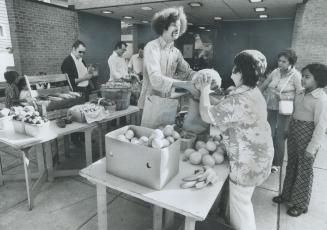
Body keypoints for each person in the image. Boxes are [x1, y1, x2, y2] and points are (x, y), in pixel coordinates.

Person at [197, 50, 274, 230]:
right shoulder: (254, 92)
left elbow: (206, 115)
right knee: (241, 202)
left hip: (246, 164)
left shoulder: (238, 99)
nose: (232, 70)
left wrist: (204, 91)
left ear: (240, 72)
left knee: (241, 207)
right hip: (261, 157)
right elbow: (236, 116)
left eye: (235, 67)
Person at [272, 63, 327, 217]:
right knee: (291, 166)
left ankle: (300, 204)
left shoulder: (321, 99)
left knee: (304, 171)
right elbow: (294, 113)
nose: (302, 79)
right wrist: (288, 129)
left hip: (308, 138)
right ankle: (287, 195)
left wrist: (312, 147)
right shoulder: (301, 93)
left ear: (319, 80)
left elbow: (321, 127)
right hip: (294, 134)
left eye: (307, 77)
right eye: (302, 75)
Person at [138, 7, 198, 117]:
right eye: (174, 25)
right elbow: (155, 79)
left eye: (179, 26)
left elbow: (188, 72)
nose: (177, 29)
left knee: (166, 134)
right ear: (163, 26)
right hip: (150, 104)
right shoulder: (152, 47)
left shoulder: (176, 52)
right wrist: (185, 85)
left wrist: (202, 76)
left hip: (167, 103)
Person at [259, 49, 302, 173]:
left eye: (284, 61)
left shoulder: (296, 76)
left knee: (280, 136)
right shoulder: (275, 72)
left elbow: (300, 95)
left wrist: (285, 97)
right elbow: (265, 84)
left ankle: (276, 164)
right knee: (269, 133)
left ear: (291, 62)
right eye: (279, 60)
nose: (280, 63)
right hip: (271, 107)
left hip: (284, 109)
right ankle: (267, 159)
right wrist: (257, 96)